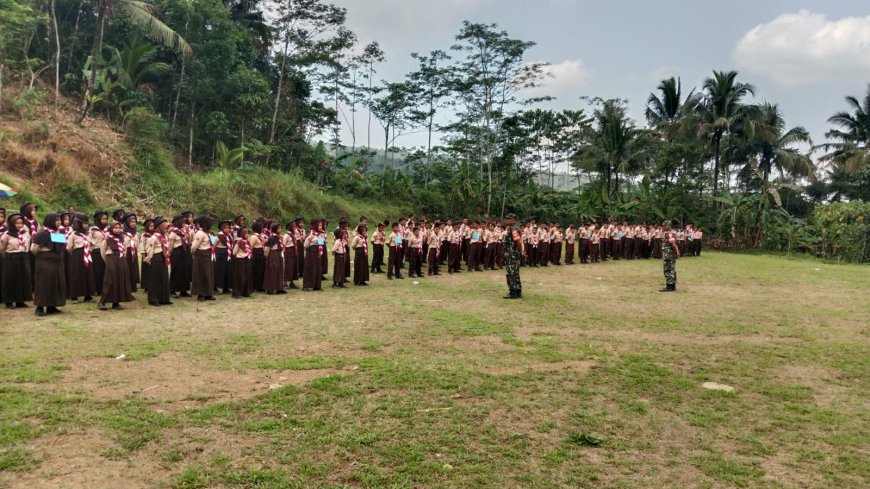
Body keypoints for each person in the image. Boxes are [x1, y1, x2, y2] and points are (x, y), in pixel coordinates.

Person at [98, 221, 133, 310]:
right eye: (115, 228)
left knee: (120, 280)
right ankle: (102, 302)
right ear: (111, 229)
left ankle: (116, 302)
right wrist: (108, 260)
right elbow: (102, 251)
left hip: (121, 259)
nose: (118, 230)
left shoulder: (122, 238)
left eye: (120, 228)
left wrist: (122, 259)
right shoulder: (107, 239)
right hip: (111, 259)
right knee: (110, 281)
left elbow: (124, 249)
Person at [0, 213, 32, 309]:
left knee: (23, 279)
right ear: (12, 223)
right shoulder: (7, 235)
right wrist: (10, 255)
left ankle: (20, 301)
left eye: (21, 223)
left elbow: (28, 244)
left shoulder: (25, 234)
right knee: (11, 280)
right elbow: (2, 248)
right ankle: (9, 301)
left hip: (24, 257)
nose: (19, 225)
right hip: (11, 258)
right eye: (17, 223)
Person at [66, 213, 96, 304]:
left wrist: (88, 251)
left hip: (87, 255)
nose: (86, 225)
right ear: (79, 223)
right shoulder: (74, 234)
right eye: (84, 223)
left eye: (87, 223)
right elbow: (68, 247)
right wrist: (76, 254)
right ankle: (74, 296)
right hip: (77, 256)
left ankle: (88, 295)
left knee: (88, 274)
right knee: (76, 274)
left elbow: (92, 244)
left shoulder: (88, 234)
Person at [143, 216, 172, 306]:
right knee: (155, 279)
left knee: (164, 278)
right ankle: (153, 299)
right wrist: (148, 259)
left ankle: (164, 298)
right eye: (165, 228)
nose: (166, 230)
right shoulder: (154, 237)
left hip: (163, 258)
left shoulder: (164, 237)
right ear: (160, 227)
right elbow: (149, 249)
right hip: (156, 258)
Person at [190, 214, 216, 301]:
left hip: (208, 255)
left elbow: (213, 243)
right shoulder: (200, 233)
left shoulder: (209, 233)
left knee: (208, 274)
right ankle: (200, 294)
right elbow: (194, 247)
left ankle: (208, 293)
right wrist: (195, 254)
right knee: (201, 274)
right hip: (201, 255)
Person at [168, 215, 192, 297]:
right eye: (182, 221)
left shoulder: (183, 231)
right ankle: (172, 290)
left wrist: (188, 232)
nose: (184, 223)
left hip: (184, 252)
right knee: (176, 271)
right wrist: (169, 254)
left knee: (185, 271)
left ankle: (183, 290)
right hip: (176, 253)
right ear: (178, 222)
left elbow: (188, 242)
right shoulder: (173, 232)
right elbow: (170, 245)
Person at [503, 213, 524, 299]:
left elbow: (518, 241)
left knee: (511, 273)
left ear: (514, 220)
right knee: (515, 273)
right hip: (513, 254)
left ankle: (513, 292)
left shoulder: (514, 229)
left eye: (509, 219)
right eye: (507, 218)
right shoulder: (515, 228)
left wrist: (519, 250)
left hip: (512, 255)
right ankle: (518, 291)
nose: (507, 220)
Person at [263, 222, 287, 295]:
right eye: (278, 228)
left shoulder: (278, 237)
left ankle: (279, 287)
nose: (280, 229)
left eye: (280, 228)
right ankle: (270, 288)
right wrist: (267, 256)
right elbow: (267, 249)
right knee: (273, 271)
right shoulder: (272, 237)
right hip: (273, 255)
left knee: (279, 271)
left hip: (279, 254)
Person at [303, 219, 325, 291]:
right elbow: (306, 245)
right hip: (311, 252)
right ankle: (308, 285)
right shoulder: (311, 234)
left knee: (317, 268)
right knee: (310, 268)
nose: (321, 226)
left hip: (317, 252)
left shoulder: (321, 234)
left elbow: (321, 243)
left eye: (321, 225)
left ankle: (316, 285)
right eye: (319, 225)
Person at [231, 227, 254, 298]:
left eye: (248, 233)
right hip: (240, 260)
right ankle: (237, 293)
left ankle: (246, 292)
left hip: (247, 260)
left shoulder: (247, 241)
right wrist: (237, 245)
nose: (247, 235)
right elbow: (234, 252)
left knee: (247, 276)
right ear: (242, 234)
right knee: (240, 277)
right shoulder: (238, 242)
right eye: (246, 233)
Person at [214, 220, 234, 295]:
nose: (227, 229)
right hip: (220, 255)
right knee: (220, 271)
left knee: (228, 271)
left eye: (228, 228)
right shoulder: (217, 236)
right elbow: (212, 246)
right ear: (222, 229)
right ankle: (218, 288)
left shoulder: (230, 236)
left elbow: (231, 244)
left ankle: (226, 287)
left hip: (228, 255)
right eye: (225, 228)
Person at [660, 220, 680, 292]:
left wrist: (677, 252)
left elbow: (673, 244)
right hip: (670, 254)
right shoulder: (670, 233)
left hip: (669, 255)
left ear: (668, 226)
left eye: (664, 225)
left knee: (668, 270)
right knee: (671, 269)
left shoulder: (670, 234)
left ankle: (669, 286)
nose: (663, 227)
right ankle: (672, 286)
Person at [283, 221, 298, 289]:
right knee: (288, 267)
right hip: (289, 251)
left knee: (293, 267)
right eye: (293, 226)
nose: (295, 227)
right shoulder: (286, 235)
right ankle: (285, 282)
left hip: (294, 251)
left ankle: (291, 282)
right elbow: (283, 245)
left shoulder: (293, 234)